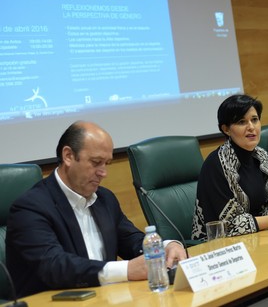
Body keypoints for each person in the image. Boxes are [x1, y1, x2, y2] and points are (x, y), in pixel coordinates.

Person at [6, 121, 187, 298]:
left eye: (106, 163)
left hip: (104, 298)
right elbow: (55, 266)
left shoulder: (104, 198)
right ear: (68, 156)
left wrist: (166, 246)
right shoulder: (30, 208)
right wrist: (127, 270)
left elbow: (130, 239)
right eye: (96, 162)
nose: (103, 173)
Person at [191, 94, 268, 240]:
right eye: (242, 122)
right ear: (226, 129)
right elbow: (230, 225)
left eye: (254, 120)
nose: (251, 127)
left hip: (258, 238)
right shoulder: (216, 165)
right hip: (217, 247)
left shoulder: (262, 156)